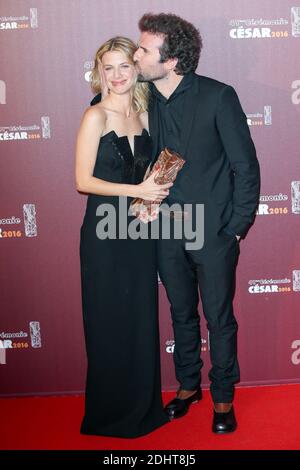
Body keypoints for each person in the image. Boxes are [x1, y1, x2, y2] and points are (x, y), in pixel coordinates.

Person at [134, 13, 260, 433]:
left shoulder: (218, 97)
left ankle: (223, 396)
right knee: (180, 312)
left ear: (171, 60)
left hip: (214, 230)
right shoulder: (141, 97)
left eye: (144, 49)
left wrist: (236, 227)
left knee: (219, 317)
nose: (136, 55)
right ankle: (188, 385)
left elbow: (246, 166)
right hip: (166, 227)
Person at [75, 36, 171, 438]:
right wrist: (138, 191)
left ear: (136, 70)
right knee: (109, 321)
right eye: (108, 68)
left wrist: (156, 189)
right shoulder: (95, 116)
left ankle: (144, 408)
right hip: (103, 233)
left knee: (140, 319)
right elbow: (82, 181)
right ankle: (110, 415)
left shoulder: (147, 114)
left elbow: (152, 172)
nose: (116, 76)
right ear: (100, 73)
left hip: (138, 229)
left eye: (124, 67)